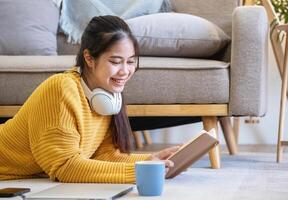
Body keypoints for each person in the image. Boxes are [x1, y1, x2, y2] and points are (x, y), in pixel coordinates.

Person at [0, 15, 179, 183]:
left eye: (130, 61)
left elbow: (104, 155)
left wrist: (152, 160)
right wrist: (139, 173)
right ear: (89, 58)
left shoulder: (108, 95)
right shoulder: (61, 89)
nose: (125, 71)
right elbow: (65, 167)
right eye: (116, 62)